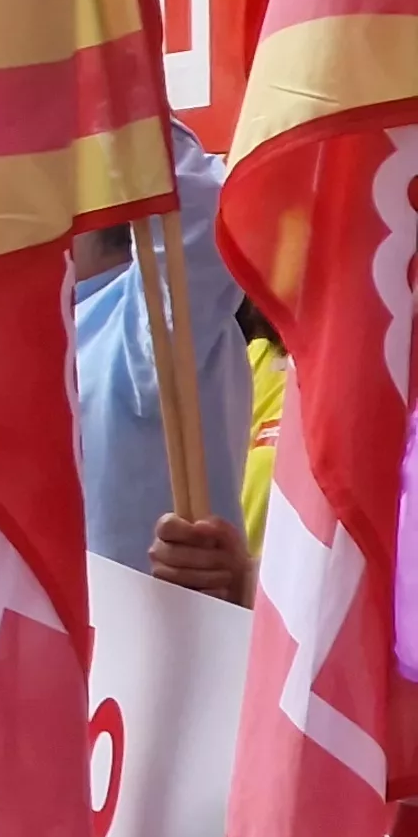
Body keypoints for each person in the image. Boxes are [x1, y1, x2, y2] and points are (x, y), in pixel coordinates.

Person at [71, 127, 256, 600]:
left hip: (144, 659)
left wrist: (112, 93)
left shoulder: (139, 321)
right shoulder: (37, 329)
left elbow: (196, 216)